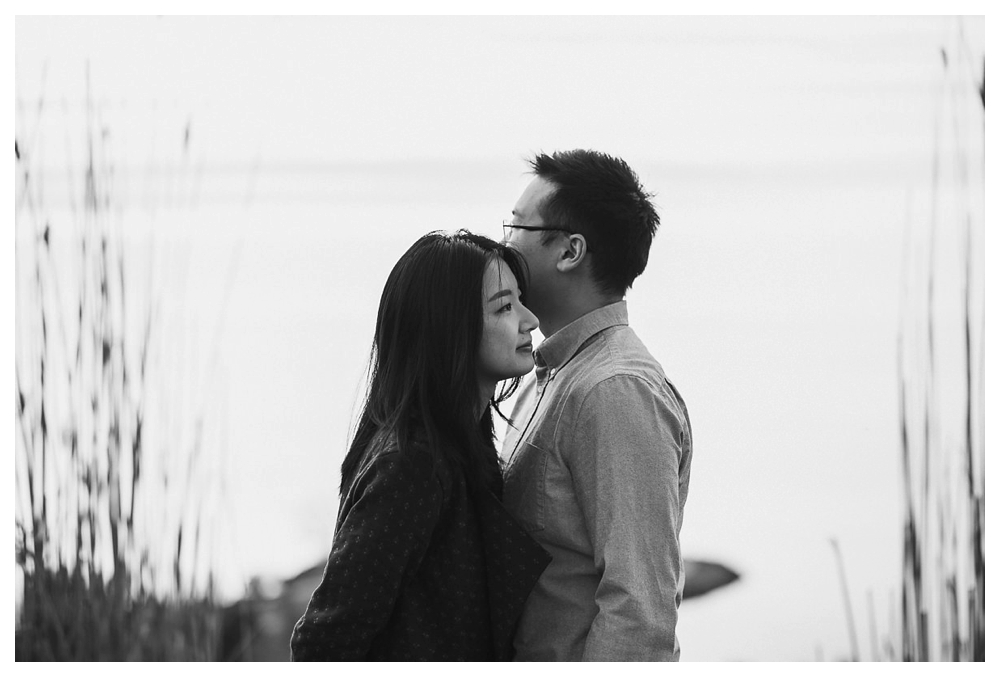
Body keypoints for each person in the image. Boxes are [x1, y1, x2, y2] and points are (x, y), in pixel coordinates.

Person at [290, 230, 551, 661]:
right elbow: (324, 642)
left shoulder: (464, 446)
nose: (530, 320)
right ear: (449, 327)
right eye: (505, 306)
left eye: (521, 299)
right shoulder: (413, 464)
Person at [500, 150, 693, 661]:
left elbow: (641, 612)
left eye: (515, 227)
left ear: (569, 251)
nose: (501, 245)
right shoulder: (550, 372)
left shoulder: (616, 390)